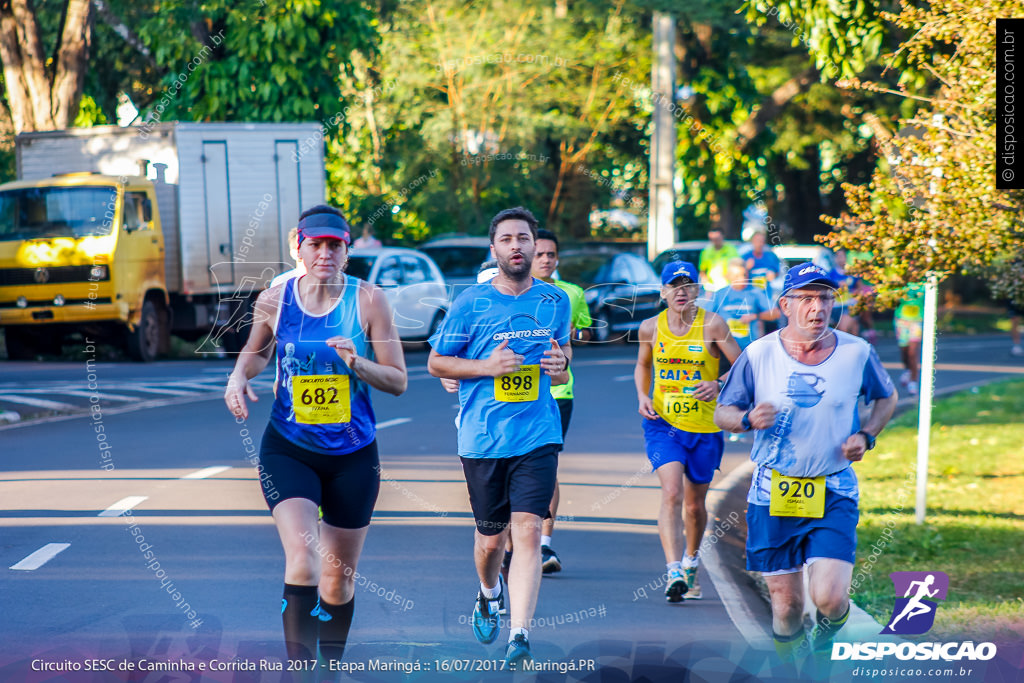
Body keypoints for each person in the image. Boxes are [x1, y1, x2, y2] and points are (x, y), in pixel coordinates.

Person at [224, 205, 407, 669]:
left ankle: (331, 669)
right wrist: (238, 377)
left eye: (335, 245)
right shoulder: (275, 298)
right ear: (298, 247)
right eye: (315, 244)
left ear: (347, 250)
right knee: (303, 559)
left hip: (353, 453)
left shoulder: (370, 301)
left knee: (337, 581)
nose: (325, 253)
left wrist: (357, 364)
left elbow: (398, 380)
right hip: (289, 448)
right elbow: (256, 352)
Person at [713, 262, 898, 666]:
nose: (817, 308)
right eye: (807, 298)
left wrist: (867, 435)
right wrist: (746, 420)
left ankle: (822, 651)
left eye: (825, 298)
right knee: (786, 606)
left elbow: (887, 397)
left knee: (830, 600)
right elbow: (722, 412)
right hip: (773, 490)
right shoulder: (758, 354)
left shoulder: (855, 352)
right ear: (785, 304)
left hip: (833, 488)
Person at [427, 207, 571, 668]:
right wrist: (485, 367)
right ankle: (489, 593)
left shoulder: (555, 300)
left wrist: (561, 363)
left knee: (527, 532)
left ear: (534, 246)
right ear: (495, 250)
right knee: (491, 540)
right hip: (483, 438)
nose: (516, 246)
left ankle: (520, 635)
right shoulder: (471, 302)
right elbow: (438, 362)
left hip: (538, 433)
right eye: (506, 239)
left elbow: (562, 349)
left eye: (523, 238)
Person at [635, 261, 742, 602]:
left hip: (705, 428)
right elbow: (642, 363)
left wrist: (717, 383)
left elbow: (743, 366)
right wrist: (642, 395)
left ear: (697, 290)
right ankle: (673, 571)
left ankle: (691, 562)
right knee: (671, 493)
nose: (681, 291)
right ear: (663, 292)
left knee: (695, 507)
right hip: (663, 425)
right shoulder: (650, 327)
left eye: (688, 285)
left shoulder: (713, 324)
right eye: (674, 286)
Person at [708, 258, 776, 350]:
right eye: (737, 276)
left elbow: (776, 313)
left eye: (744, 275)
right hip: (725, 350)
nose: (742, 279)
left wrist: (755, 316)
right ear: (728, 276)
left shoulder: (755, 292)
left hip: (750, 349)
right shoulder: (720, 294)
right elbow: (705, 317)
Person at [895, 283, 925, 396]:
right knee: (904, 351)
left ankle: (913, 381)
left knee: (913, 352)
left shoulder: (924, 284)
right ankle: (907, 370)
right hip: (901, 321)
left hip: (916, 321)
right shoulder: (900, 282)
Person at [698, 228, 740, 294]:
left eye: (717, 238)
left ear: (723, 236)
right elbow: (702, 271)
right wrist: (707, 286)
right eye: (713, 239)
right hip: (712, 288)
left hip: (729, 286)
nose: (715, 241)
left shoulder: (731, 249)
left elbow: (738, 267)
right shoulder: (706, 252)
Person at [741, 229, 782, 293]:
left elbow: (778, 273)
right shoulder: (746, 257)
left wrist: (773, 274)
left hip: (766, 291)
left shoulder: (771, 256)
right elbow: (738, 276)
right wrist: (746, 268)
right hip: (749, 291)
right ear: (752, 242)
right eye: (757, 241)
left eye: (762, 241)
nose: (759, 243)